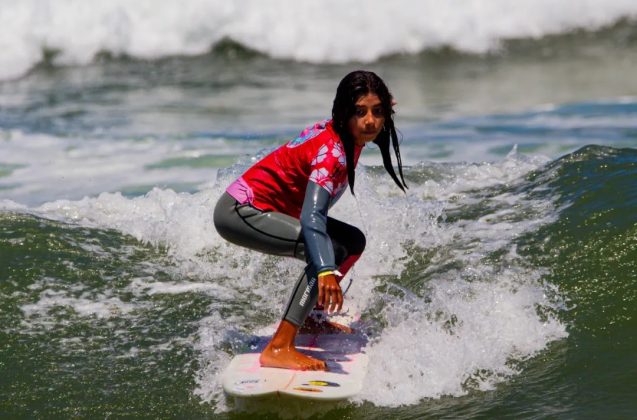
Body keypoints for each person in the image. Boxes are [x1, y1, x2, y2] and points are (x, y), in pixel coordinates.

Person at [214, 70, 407, 371]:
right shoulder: (332, 153)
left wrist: (381, 104)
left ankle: (311, 319)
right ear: (345, 113)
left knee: (352, 242)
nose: (370, 121)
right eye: (360, 112)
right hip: (241, 212)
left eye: (378, 112)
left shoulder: (346, 134)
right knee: (324, 254)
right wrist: (326, 270)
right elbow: (312, 215)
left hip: (269, 210)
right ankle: (279, 347)